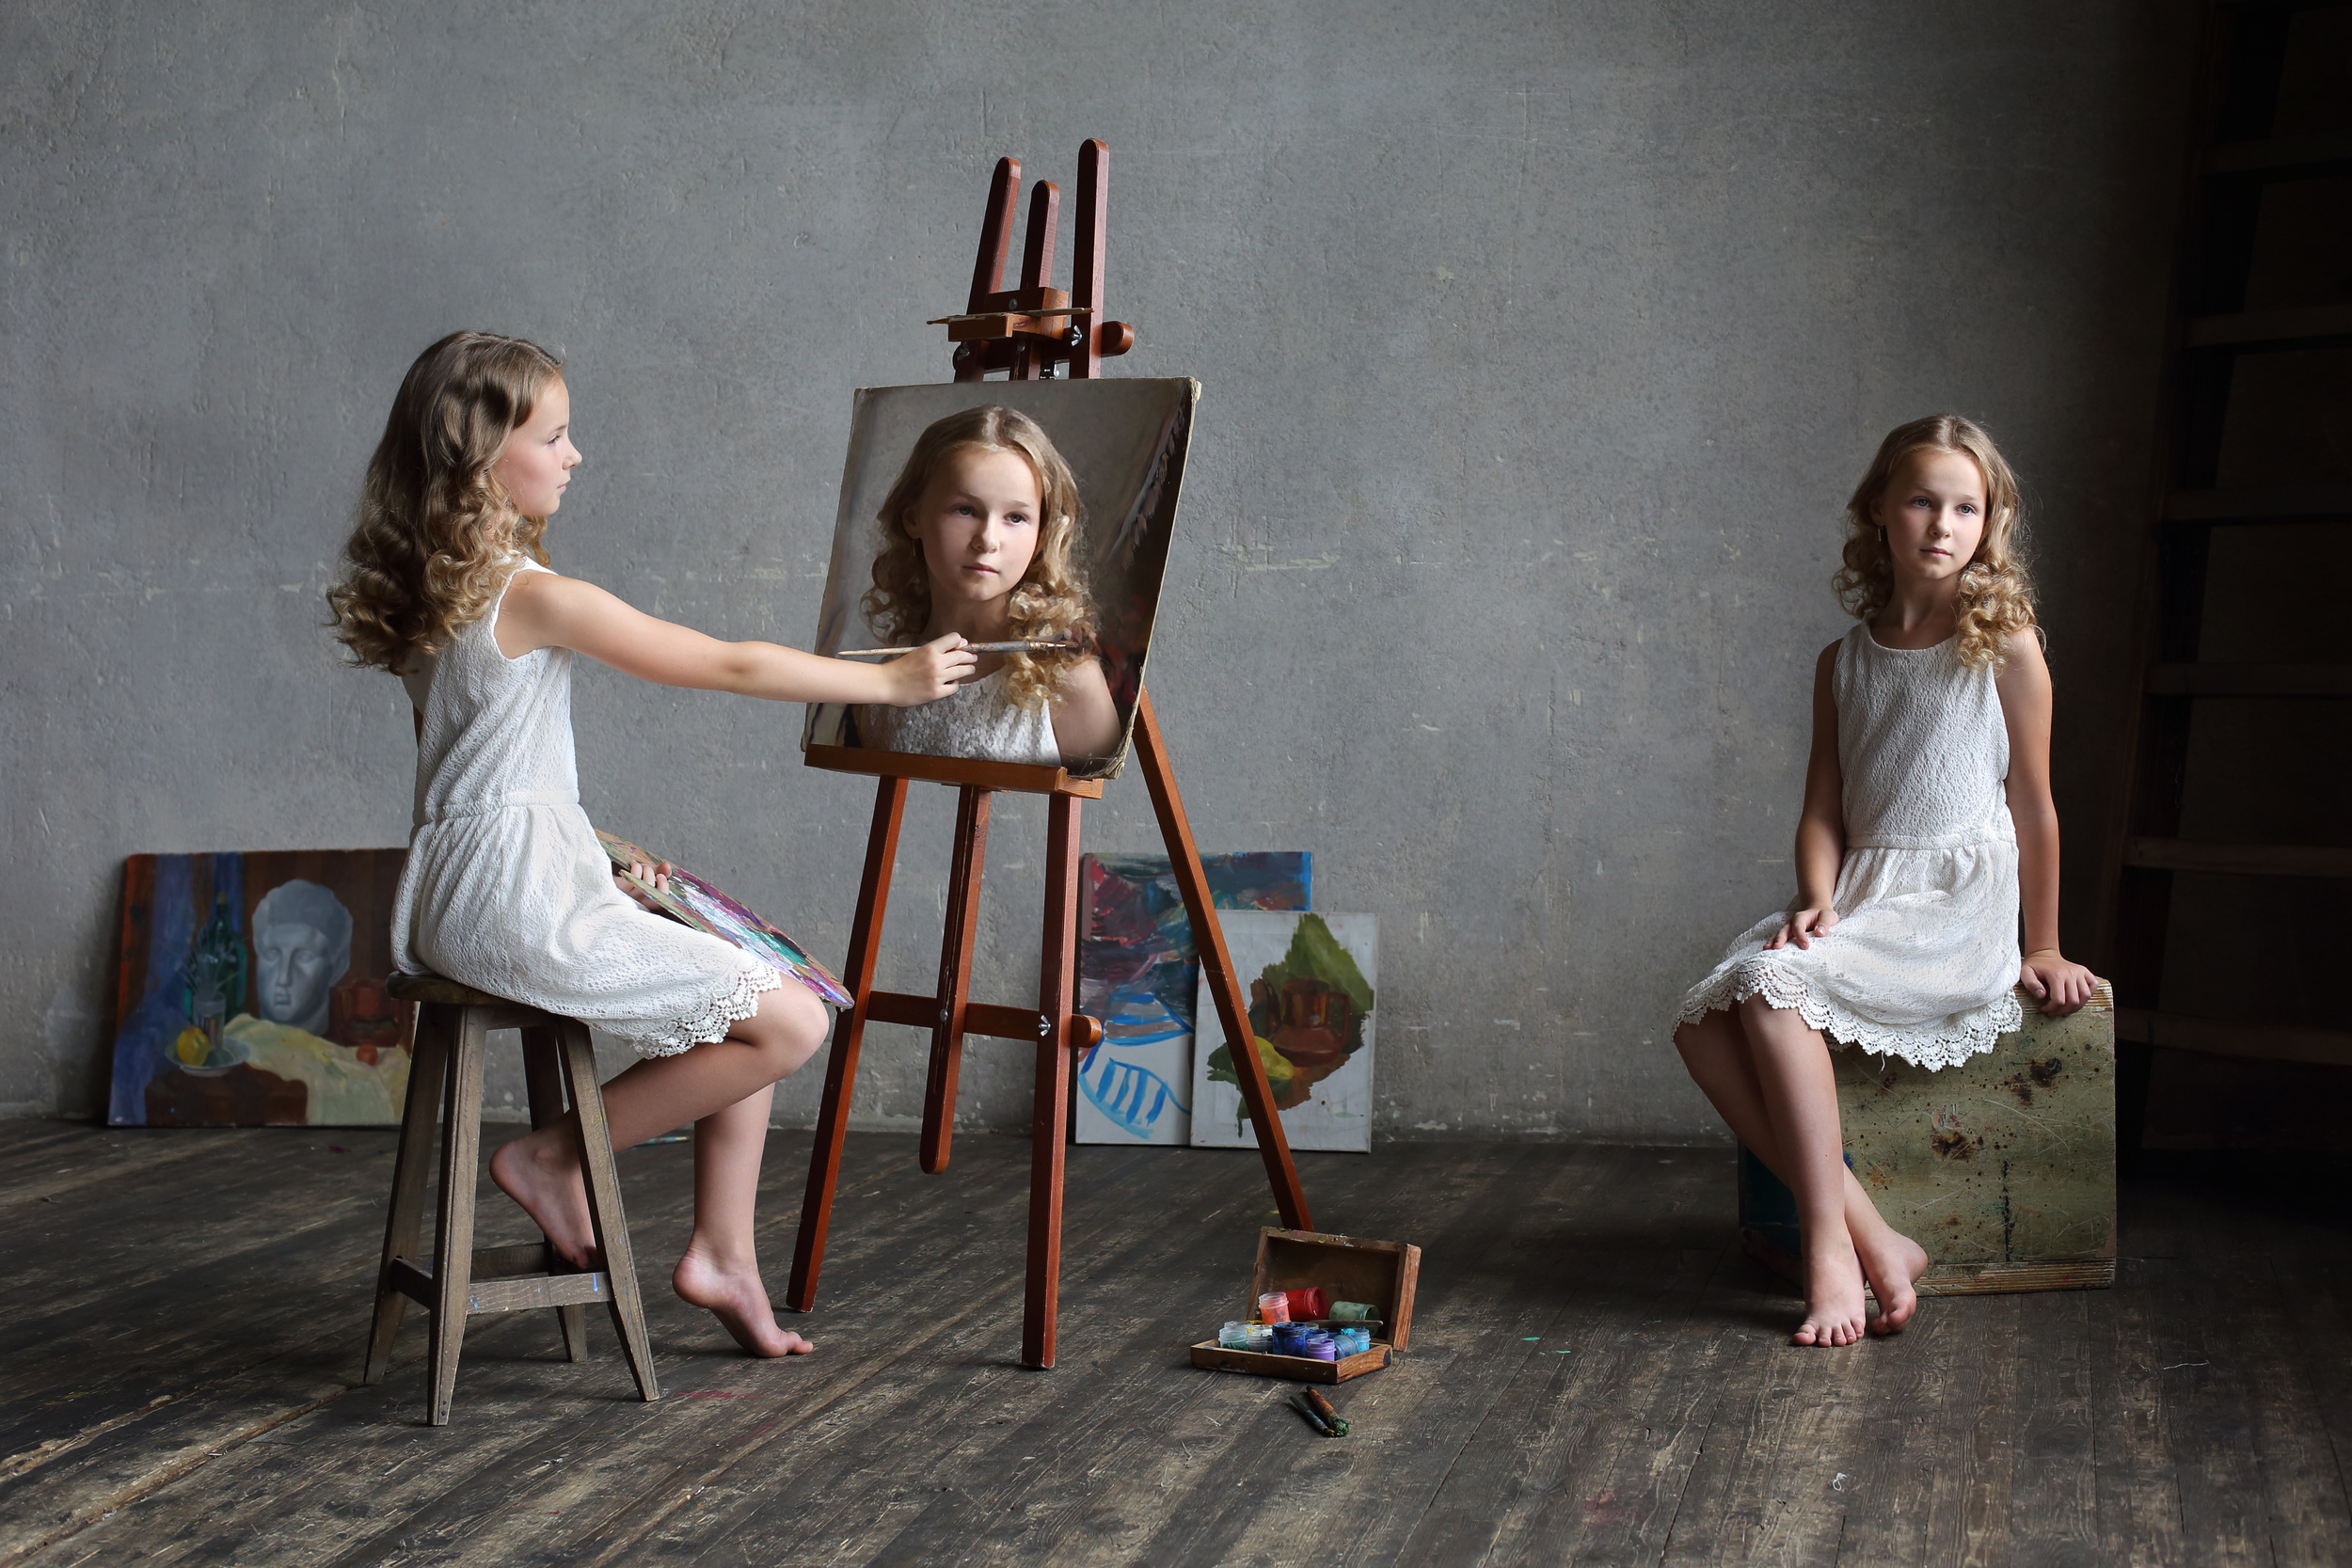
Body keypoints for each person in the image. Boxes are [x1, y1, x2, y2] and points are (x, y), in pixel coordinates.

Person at [327, 331, 970, 1356]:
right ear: (484, 455)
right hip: (515, 901)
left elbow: (479, 773)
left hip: (460, 889)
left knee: (747, 971)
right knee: (794, 1021)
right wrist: (888, 679)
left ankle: (723, 1252)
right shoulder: (532, 595)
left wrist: (595, 849)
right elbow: (725, 664)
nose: (574, 454)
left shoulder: (440, 598)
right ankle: (554, 1159)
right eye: (555, 435)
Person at [1671, 414, 2098, 1348]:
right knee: (1700, 1024)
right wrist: (1816, 895)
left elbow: (2034, 805)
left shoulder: (2005, 643)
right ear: (1878, 509)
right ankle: (1874, 1231)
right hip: (1867, 893)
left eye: (1965, 508)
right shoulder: (1844, 661)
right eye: (1920, 502)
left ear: (1989, 522)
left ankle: (1829, 1247)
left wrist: (2043, 943)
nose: (1942, 525)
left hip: (1954, 902)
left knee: (1771, 992)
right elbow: (1823, 808)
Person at [851, 405, 1122, 768]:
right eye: (965, 510)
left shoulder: (1068, 682)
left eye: (1016, 517)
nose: (988, 540)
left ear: (1041, 536)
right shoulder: (879, 684)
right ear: (913, 517)